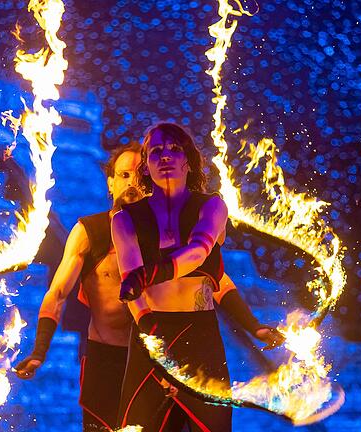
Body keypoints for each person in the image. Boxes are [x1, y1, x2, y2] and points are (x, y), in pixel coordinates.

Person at [111, 123, 284, 431]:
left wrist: (254, 327)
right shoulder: (125, 219)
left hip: (200, 338)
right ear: (145, 166)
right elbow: (131, 285)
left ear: (187, 162)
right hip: (151, 335)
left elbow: (200, 255)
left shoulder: (213, 206)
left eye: (175, 149)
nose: (165, 156)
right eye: (156, 151)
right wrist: (152, 333)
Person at [15, 143, 144, 431]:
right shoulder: (89, 232)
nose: (132, 183)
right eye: (124, 175)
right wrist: (39, 351)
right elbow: (57, 294)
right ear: (110, 183)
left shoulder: (168, 237)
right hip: (105, 361)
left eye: (141, 176)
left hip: (152, 364)